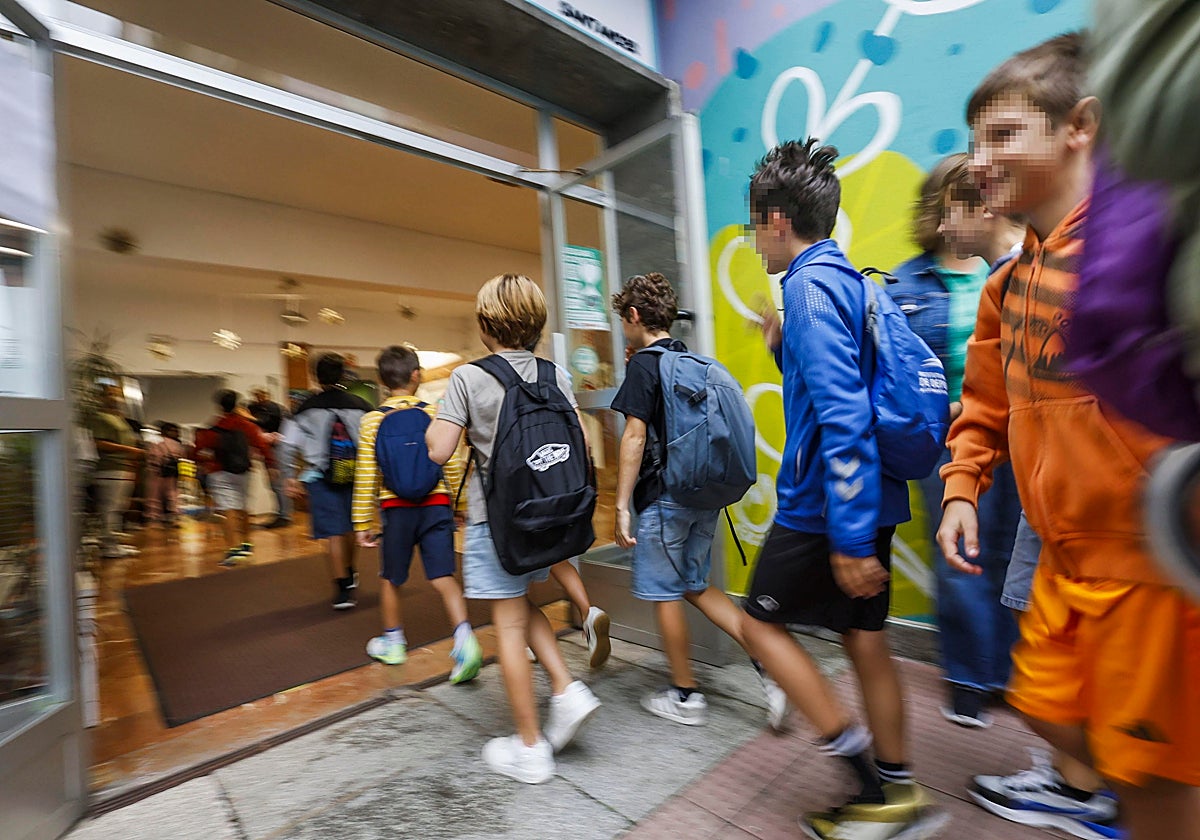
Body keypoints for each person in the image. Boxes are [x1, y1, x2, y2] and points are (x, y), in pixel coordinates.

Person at [937, 33, 1200, 840]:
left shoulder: (1143, 250)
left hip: (1148, 571)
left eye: (1005, 135)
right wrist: (961, 488)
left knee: (1153, 782)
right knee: (1044, 706)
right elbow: (981, 400)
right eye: (976, 140)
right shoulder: (1005, 286)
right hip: (1061, 561)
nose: (982, 159)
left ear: (1078, 127)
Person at [742, 138, 941, 838]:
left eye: (752, 225)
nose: (753, 240)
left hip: (827, 506)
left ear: (775, 220)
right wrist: (781, 343)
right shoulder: (847, 280)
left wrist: (850, 539)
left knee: (757, 621)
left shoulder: (806, 284)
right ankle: (898, 787)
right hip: (871, 497)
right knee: (865, 639)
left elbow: (844, 414)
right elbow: (843, 378)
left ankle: (867, 789)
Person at [426, 273, 600, 785]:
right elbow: (580, 441)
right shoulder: (555, 373)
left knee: (506, 626)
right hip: (550, 514)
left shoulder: (468, 378)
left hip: (498, 522)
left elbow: (439, 450)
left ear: (485, 326)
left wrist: (433, 415)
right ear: (536, 324)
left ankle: (529, 747)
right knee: (521, 607)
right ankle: (567, 691)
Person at [610, 271, 788, 729]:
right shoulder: (691, 361)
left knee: (664, 593)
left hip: (665, 498)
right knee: (694, 585)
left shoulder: (643, 365)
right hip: (702, 496)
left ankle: (685, 695)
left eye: (624, 321)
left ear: (633, 316)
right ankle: (771, 663)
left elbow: (634, 435)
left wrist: (620, 504)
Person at [887, 154, 1023, 727]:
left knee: (1009, 554)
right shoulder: (906, 280)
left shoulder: (1017, 268)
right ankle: (969, 679)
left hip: (1014, 432)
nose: (944, 225)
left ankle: (1009, 679)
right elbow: (889, 361)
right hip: (945, 437)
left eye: (953, 211)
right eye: (938, 212)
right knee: (959, 555)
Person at [351, 344, 483, 682]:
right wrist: (459, 506)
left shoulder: (371, 421)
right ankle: (466, 640)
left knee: (390, 578)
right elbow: (451, 463)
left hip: (396, 509)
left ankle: (394, 642)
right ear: (416, 376)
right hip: (436, 503)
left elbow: (367, 474)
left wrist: (362, 521)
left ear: (382, 380)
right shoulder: (433, 415)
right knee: (443, 576)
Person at [283, 353, 372, 610]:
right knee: (353, 527)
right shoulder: (361, 405)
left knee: (333, 532)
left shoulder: (303, 408)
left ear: (314, 376)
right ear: (344, 374)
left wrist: (289, 477)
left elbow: (287, 446)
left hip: (320, 476)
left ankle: (342, 588)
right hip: (358, 476)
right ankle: (351, 570)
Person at [193, 389, 275, 566]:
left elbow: (197, 449)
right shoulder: (247, 426)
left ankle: (233, 549)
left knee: (228, 509)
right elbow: (262, 445)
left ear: (219, 406)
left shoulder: (214, 427)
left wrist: (203, 460)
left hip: (219, 471)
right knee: (243, 507)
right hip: (243, 471)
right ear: (237, 404)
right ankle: (246, 544)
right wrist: (270, 465)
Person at [89, 384, 143, 559]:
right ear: (101, 397)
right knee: (110, 509)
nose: (115, 398)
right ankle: (109, 546)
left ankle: (113, 543)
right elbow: (99, 443)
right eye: (111, 394)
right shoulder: (99, 418)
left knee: (117, 509)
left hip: (122, 468)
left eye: (117, 394)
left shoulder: (117, 418)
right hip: (109, 469)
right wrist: (131, 450)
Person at [249, 386, 291, 529]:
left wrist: (249, 417)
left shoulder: (272, 409)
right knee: (274, 484)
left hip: (277, 447)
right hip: (271, 447)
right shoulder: (261, 408)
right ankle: (282, 513)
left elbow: (265, 423)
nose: (258, 398)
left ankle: (285, 515)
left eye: (260, 395)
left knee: (278, 483)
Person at [146, 421, 185, 527]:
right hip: (172, 473)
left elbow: (153, 458)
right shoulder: (178, 445)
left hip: (157, 473)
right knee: (173, 494)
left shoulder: (157, 444)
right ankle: (174, 515)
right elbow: (181, 457)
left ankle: (153, 517)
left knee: (154, 495)